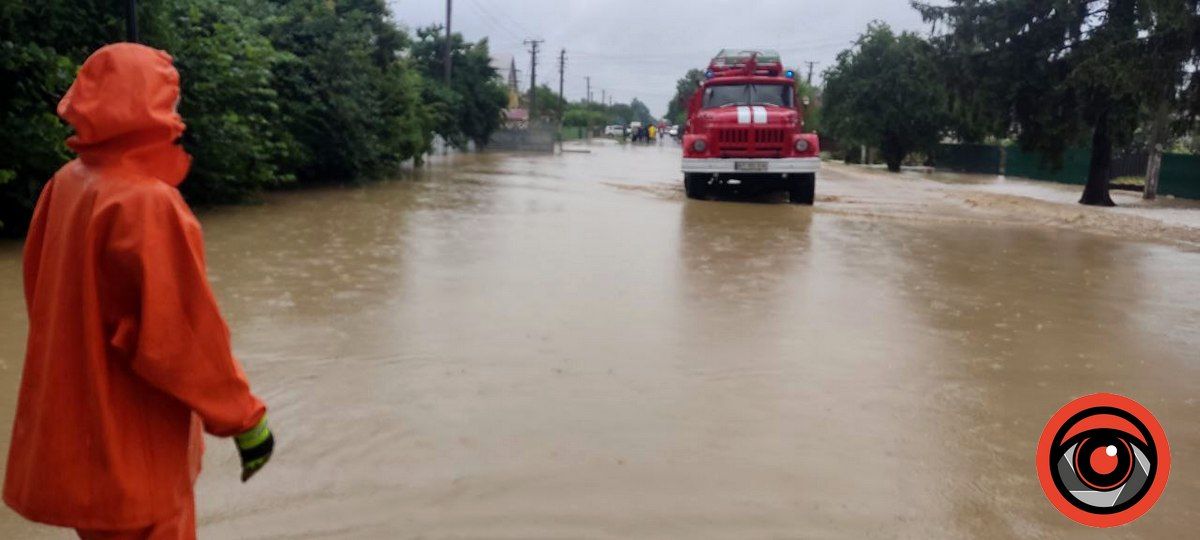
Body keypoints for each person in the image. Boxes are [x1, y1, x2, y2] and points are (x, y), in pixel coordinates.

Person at [3, 43, 274, 539]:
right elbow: (180, 339)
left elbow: (42, 297)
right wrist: (245, 420)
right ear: (157, 105)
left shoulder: (64, 185)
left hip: (86, 450)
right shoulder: (147, 203)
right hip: (136, 457)